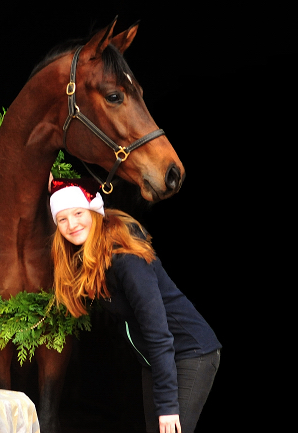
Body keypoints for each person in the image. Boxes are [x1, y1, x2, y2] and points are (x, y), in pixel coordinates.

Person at [49, 178, 221, 433]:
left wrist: (168, 406)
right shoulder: (91, 256)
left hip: (189, 350)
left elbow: (159, 333)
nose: (71, 224)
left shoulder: (126, 260)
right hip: (155, 358)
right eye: (62, 219)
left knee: (170, 426)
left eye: (77, 213)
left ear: (94, 212)